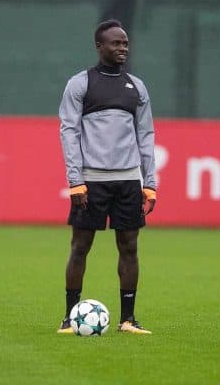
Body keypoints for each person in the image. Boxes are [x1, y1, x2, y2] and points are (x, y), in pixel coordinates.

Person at [57, 19, 157, 335]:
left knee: (129, 247)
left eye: (125, 43)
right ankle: (70, 319)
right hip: (91, 180)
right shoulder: (80, 84)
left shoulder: (137, 87)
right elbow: (69, 131)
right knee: (80, 246)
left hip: (128, 181)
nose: (122, 48)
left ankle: (128, 319)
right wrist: (75, 180)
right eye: (115, 43)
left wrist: (150, 182)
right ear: (99, 46)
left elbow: (146, 134)